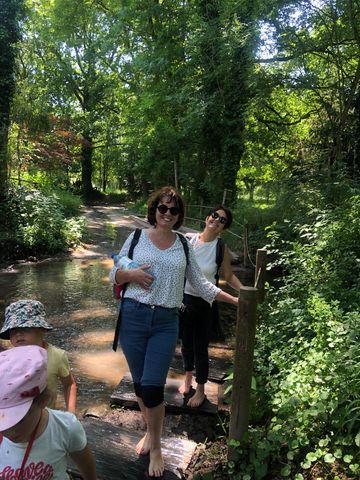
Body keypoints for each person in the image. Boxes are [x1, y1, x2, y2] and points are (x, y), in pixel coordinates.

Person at [109, 186, 239, 478]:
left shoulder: (183, 245)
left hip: (167, 321)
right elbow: (113, 274)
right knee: (141, 386)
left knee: (154, 387)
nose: (167, 214)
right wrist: (129, 274)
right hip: (133, 317)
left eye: (174, 210)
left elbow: (201, 284)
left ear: (180, 215)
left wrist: (234, 299)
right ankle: (151, 433)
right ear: (154, 210)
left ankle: (156, 446)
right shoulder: (137, 237)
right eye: (162, 208)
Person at [179, 205, 243, 408]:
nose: (216, 220)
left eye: (222, 220)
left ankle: (200, 389)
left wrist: (245, 293)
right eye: (214, 215)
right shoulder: (189, 240)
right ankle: (187, 378)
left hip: (206, 303)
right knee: (186, 344)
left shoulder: (220, 248)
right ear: (207, 218)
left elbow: (229, 276)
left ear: (223, 228)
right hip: (183, 300)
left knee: (201, 347)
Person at [0, 345, 97, 479]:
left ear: (42, 401)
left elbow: (86, 463)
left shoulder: (65, 428)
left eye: (19, 419)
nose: (9, 431)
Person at [0, 299, 77, 413]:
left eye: (25, 328)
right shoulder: (7, 360)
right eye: (13, 330)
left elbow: (69, 384)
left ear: (42, 330)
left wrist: (71, 414)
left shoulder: (56, 356)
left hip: (46, 419)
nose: (18, 334)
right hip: (15, 421)